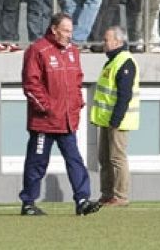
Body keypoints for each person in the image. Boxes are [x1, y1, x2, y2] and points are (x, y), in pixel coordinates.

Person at [19, 12, 101, 216]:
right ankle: (28, 203)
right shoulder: (37, 50)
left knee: (75, 161)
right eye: (65, 31)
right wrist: (46, 108)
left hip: (66, 121)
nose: (68, 35)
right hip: (44, 122)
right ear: (54, 29)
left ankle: (82, 200)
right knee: (37, 163)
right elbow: (31, 84)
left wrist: (77, 104)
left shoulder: (73, 51)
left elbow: (77, 81)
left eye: (70, 31)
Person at [90, 26, 139, 207]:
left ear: (118, 42)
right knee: (104, 158)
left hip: (118, 121)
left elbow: (124, 95)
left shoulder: (125, 61)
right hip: (106, 119)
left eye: (106, 40)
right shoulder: (112, 61)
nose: (104, 43)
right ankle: (107, 193)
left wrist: (116, 120)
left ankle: (120, 195)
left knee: (117, 158)